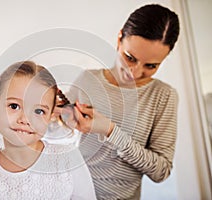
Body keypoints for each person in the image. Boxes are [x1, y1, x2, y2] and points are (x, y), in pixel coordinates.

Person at [63, 4, 180, 200]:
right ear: (119, 39)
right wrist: (60, 115)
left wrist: (110, 131)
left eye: (151, 66)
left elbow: (161, 171)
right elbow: (56, 128)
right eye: (130, 57)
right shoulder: (87, 79)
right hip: (70, 193)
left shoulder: (163, 96)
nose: (134, 72)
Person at [0, 61, 96, 200]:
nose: (25, 119)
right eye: (14, 106)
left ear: (50, 117)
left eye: (39, 111)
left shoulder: (68, 161)